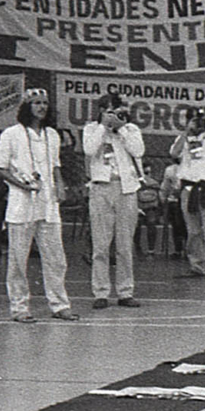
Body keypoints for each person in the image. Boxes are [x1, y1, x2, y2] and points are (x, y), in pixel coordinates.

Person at [0, 88, 76, 323]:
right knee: (19, 259)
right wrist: (20, 184)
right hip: (21, 204)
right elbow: (0, 167)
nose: (41, 107)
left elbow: (55, 165)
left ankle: (60, 304)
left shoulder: (52, 134)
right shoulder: (11, 134)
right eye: (36, 103)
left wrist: (60, 185)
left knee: (56, 258)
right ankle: (20, 308)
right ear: (26, 106)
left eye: (45, 103)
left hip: (48, 204)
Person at [83, 95, 145, 310]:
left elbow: (138, 151)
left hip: (126, 188)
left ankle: (125, 291)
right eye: (108, 110)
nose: (113, 114)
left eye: (116, 109)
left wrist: (121, 128)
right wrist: (103, 126)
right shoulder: (91, 128)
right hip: (101, 187)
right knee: (100, 244)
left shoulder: (131, 130)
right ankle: (100, 292)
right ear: (100, 111)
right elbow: (89, 150)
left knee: (125, 244)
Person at [170, 109, 205, 281]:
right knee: (193, 230)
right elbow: (174, 154)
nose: (198, 124)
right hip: (188, 188)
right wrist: (186, 132)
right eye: (194, 121)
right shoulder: (182, 139)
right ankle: (197, 265)